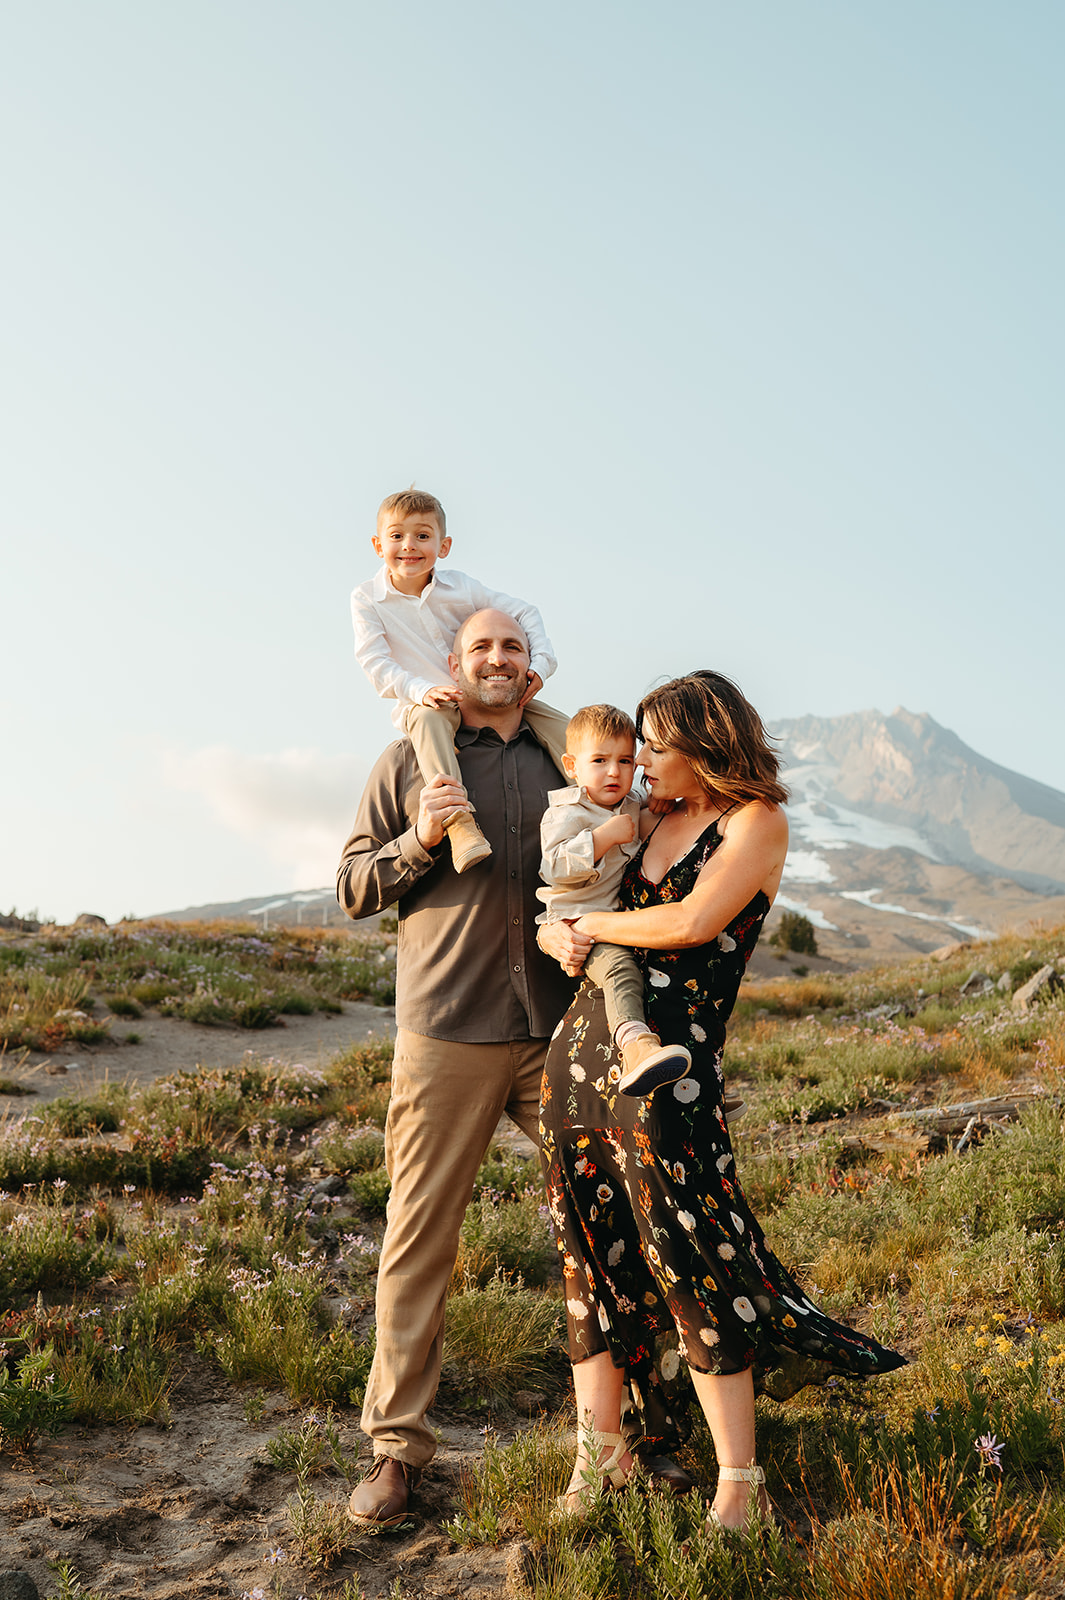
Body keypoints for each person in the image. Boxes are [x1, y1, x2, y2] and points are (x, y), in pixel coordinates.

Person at [537, 671, 906, 1528]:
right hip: (580, 1061)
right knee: (590, 1267)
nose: (643, 762)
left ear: (707, 746)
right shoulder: (648, 816)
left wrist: (585, 929)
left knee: (688, 1257)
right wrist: (560, 926)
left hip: (672, 1071)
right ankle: (603, 1458)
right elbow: (572, 896)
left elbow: (693, 922)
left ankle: (738, 1481)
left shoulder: (754, 822)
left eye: (659, 747)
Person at [336, 608, 577, 1530]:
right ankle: (395, 1450)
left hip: (560, 1030)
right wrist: (421, 843)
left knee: (613, 1213)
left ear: (532, 667)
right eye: (480, 646)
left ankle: (637, 1423)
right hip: (446, 1033)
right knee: (418, 1236)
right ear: (453, 662)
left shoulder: (569, 757)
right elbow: (354, 887)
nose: (497, 658)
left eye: (512, 647)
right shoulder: (409, 760)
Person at [351, 487, 569, 871]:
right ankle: (459, 824)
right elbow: (375, 662)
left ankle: (598, 803)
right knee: (429, 721)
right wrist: (421, 690)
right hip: (425, 700)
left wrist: (541, 666)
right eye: (396, 535)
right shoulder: (368, 599)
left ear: (444, 545)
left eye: (422, 535)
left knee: (569, 729)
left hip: (486, 693)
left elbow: (526, 612)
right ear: (377, 544)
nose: (409, 546)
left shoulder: (463, 588)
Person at [537, 703, 692, 1098]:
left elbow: (655, 811)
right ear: (572, 765)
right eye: (600, 760)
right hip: (578, 925)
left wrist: (660, 803)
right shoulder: (566, 813)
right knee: (622, 972)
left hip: (617, 920)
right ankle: (637, 1047)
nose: (614, 771)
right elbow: (553, 867)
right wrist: (602, 838)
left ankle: (700, 1084)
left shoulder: (630, 803)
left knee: (662, 982)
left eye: (625, 760)